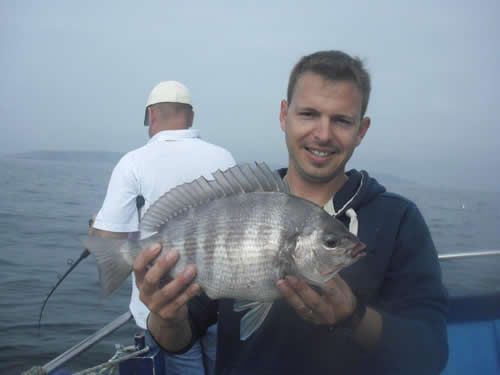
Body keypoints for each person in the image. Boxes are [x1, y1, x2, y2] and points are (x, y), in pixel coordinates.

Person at [133, 51, 449, 374]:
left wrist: (354, 315)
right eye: (309, 114)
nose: (323, 134)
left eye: (341, 120)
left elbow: (431, 353)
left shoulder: (399, 222)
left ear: (361, 130)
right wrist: (164, 316)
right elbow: (179, 336)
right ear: (284, 115)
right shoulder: (240, 206)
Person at [89, 80, 235, 375]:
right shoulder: (224, 158)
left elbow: (108, 239)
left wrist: (97, 228)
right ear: (190, 117)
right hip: (219, 302)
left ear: (151, 116)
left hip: (162, 311)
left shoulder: (133, 163)